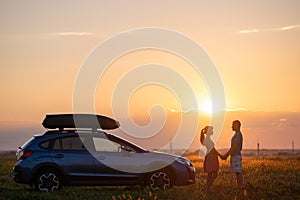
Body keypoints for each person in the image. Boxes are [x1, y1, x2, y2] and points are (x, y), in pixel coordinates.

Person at [200, 126, 222, 192]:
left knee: (210, 174)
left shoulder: (207, 139)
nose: (213, 131)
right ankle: (207, 186)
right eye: (212, 130)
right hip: (211, 157)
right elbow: (213, 150)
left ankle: (207, 188)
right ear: (209, 131)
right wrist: (221, 155)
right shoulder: (208, 139)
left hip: (209, 156)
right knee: (215, 174)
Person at [223, 120, 244, 189]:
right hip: (235, 155)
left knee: (238, 172)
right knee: (237, 173)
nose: (231, 126)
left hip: (236, 156)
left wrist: (226, 155)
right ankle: (240, 186)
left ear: (237, 125)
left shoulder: (238, 135)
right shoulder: (237, 134)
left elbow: (234, 147)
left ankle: (240, 186)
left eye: (233, 125)